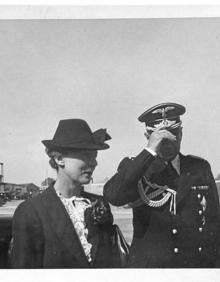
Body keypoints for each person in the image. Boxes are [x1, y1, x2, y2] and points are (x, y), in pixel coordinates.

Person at [104, 102, 220, 268]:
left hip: (193, 269)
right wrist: (150, 151)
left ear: (181, 133)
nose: (168, 142)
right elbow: (114, 196)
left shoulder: (198, 167)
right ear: (148, 137)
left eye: (173, 133)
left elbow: (214, 223)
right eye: (160, 137)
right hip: (152, 271)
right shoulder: (135, 168)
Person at [12, 119, 114, 268]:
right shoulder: (31, 211)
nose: (94, 163)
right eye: (86, 155)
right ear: (59, 159)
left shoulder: (100, 204)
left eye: (94, 156)